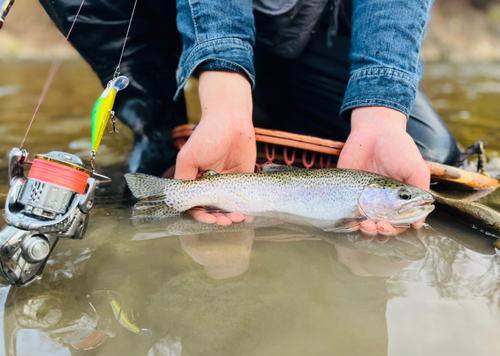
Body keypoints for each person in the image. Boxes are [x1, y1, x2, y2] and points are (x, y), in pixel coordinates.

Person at [40, 0, 461, 236]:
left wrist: (381, 118)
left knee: (435, 156)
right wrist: (225, 104)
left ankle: (276, 109)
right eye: (401, 199)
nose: (408, 200)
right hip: (185, 17)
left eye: (400, 199)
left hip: (325, 29)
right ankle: (157, 130)